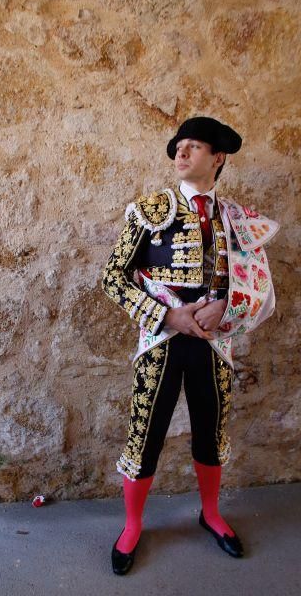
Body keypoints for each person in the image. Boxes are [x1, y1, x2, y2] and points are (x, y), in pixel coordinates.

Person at [102, 116, 279, 575]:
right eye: (179, 146)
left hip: (216, 341)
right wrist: (167, 314)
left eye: (194, 146)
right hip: (161, 339)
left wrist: (227, 306)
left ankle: (212, 513)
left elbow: (257, 286)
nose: (181, 153)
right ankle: (133, 524)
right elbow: (112, 278)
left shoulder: (238, 219)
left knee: (211, 427)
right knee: (147, 429)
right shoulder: (149, 209)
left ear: (217, 159)